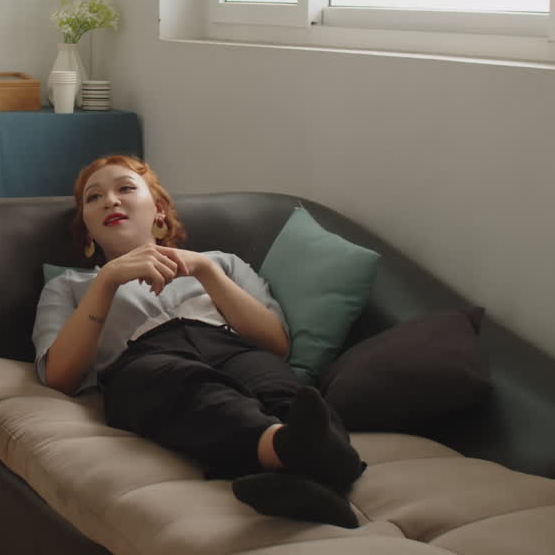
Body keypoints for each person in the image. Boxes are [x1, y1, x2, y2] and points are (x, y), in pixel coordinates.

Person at [33, 155, 366, 528]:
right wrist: (107, 281)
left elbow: (276, 345)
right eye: (93, 198)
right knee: (182, 386)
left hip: (230, 345)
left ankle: (301, 478)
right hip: (144, 360)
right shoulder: (68, 286)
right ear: (88, 229)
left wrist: (206, 271)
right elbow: (60, 377)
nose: (110, 201)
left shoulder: (221, 263)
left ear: (158, 211)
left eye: (125, 188)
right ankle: (304, 455)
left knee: (285, 393)